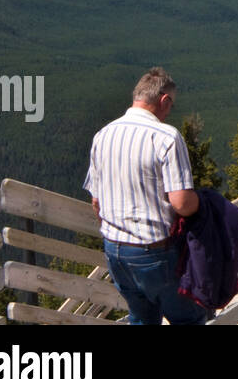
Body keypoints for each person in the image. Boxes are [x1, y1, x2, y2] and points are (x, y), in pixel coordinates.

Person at [84, 67, 205, 325]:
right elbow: (182, 203)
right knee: (188, 319)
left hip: (115, 249)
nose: (169, 112)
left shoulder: (102, 135)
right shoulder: (166, 137)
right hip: (154, 252)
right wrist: (204, 202)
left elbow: (96, 202)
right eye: (170, 106)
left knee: (141, 318)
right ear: (164, 100)